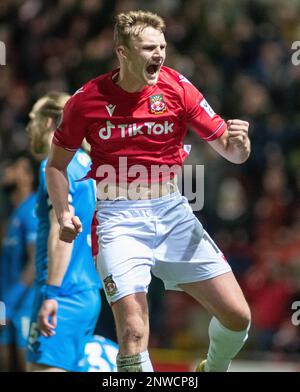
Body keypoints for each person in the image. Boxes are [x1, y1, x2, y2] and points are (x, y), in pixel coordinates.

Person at [45, 10, 251, 372]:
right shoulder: (87, 100)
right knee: (133, 332)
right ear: (122, 52)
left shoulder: (178, 88)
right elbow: (56, 165)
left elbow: (233, 153)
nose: (159, 54)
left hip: (172, 212)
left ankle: (212, 368)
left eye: (162, 47)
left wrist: (242, 144)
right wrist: (64, 212)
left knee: (238, 317)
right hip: (117, 220)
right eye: (148, 48)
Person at [26, 92, 102, 372]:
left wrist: (51, 294)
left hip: (63, 293)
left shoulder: (54, 167)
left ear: (47, 122)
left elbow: (63, 229)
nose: (28, 127)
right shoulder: (88, 165)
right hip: (88, 292)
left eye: (32, 119)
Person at [0, 154, 38, 371]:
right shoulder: (13, 214)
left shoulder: (32, 210)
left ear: (28, 176)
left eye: (14, 166)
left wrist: (8, 305)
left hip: (25, 306)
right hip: (6, 307)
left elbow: (33, 264)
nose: (6, 170)